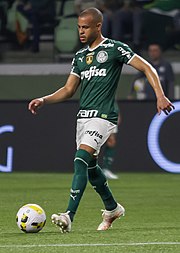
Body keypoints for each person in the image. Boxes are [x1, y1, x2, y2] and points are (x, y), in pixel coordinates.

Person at [28, 8, 174, 233]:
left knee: (80, 159)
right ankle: (112, 208)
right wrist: (44, 99)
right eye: (78, 27)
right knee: (91, 168)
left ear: (98, 26)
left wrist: (160, 94)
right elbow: (68, 89)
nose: (81, 32)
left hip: (103, 117)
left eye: (85, 27)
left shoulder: (114, 48)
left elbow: (147, 67)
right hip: (83, 119)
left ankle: (69, 215)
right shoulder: (80, 57)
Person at [102, 106, 121, 180]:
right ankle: (89, 169)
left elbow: (113, 99)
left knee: (111, 142)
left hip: (111, 113)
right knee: (94, 142)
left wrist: (117, 112)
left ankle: (106, 169)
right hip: (101, 113)